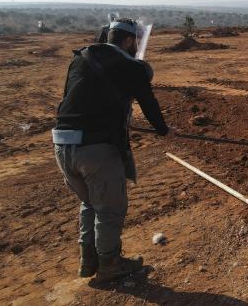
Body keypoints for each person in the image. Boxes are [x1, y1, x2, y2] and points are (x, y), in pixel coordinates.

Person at [52, 18, 174, 281]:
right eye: (136, 42)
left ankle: (89, 261)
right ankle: (110, 265)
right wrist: (163, 130)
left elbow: (71, 100)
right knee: (109, 209)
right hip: (96, 149)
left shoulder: (81, 57)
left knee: (91, 203)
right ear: (129, 41)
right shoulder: (131, 67)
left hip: (62, 144)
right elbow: (149, 105)